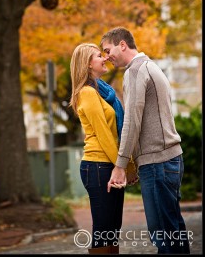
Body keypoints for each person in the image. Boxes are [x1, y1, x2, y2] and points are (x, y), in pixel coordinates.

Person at [100, 27, 190, 255]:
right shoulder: (152, 67)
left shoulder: (135, 71)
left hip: (157, 163)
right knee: (174, 231)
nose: (106, 56)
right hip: (170, 160)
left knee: (164, 236)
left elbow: (132, 120)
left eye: (107, 50)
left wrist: (120, 165)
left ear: (122, 44)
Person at [69, 43, 138, 255]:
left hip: (108, 164)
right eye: (99, 56)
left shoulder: (102, 91)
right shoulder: (87, 93)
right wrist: (126, 166)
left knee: (112, 229)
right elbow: (104, 135)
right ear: (88, 65)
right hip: (98, 166)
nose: (105, 58)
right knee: (103, 229)